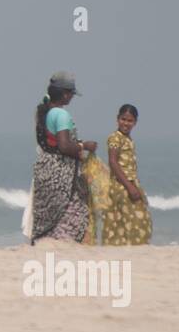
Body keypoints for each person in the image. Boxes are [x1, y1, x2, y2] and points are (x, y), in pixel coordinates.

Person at [28, 72, 98, 244]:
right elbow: (64, 146)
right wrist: (84, 146)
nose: (72, 97)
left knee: (48, 213)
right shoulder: (61, 115)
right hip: (62, 173)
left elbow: (52, 143)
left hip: (46, 169)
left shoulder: (44, 112)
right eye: (72, 94)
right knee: (73, 212)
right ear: (66, 94)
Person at [100, 104, 152, 245]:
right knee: (135, 218)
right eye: (123, 119)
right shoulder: (115, 138)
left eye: (130, 121)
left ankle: (126, 246)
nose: (126, 123)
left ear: (135, 122)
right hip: (121, 185)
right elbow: (113, 162)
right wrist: (129, 187)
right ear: (117, 119)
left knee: (128, 219)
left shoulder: (127, 139)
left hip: (129, 182)